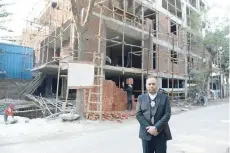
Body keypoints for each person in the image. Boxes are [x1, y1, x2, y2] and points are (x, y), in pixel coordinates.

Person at [136, 76, 172, 153]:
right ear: (146, 85)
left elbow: (167, 114)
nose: (151, 86)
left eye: (153, 84)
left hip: (160, 133)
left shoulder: (165, 98)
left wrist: (156, 127)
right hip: (146, 134)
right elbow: (139, 114)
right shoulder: (141, 98)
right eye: (149, 84)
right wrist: (149, 128)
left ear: (157, 85)